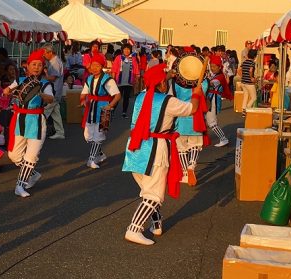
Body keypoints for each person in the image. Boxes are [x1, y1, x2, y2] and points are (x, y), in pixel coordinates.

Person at [122, 63, 203, 245]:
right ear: (162, 83)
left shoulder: (141, 96)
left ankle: (156, 224)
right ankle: (133, 229)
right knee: (153, 195)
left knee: (148, 189)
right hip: (155, 149)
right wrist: (196, 93)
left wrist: (165, 77)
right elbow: (193, 109)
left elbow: (156, 83)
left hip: (135, 148)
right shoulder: (168, 102)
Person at [2, 49, 54, 198]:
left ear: (43, 67)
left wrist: (39, 94)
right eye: (34, 64)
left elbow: (51, 99)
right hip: (20, 119)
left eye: (39, 65)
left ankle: (20, 184)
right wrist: (7, 91)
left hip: (37, 121)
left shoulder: (45, 84)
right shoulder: (20, 81)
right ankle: (34, 174)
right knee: (14, 155)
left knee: (31, 156)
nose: (36, 67)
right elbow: (7, 90)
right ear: (27, 66)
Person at [172, 47, 209, 187]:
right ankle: (191, 166)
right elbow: (203, 94)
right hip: (195, 116)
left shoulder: (176, 83)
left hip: (181, 116)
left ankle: (185, 173)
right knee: (195, 144)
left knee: (181, 146)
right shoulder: (202, 83)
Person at [80, 53, 121, 169]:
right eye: (93, 65)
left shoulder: (108, 80)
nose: (94, 68)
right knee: (87, 135)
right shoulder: (89, 78)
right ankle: (101, 154)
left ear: (102, 66)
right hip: (91, 108)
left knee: (99, 134)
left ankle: (91, 159)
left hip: (104, 109)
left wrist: (110, 106)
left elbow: (117, 95)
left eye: (97, 65)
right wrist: (82, 100)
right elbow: (84, 93)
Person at [206, 55, 231, 147]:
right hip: (210, 99)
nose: (212, 68)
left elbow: (210, 85)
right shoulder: (216, 75)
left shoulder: (219, 77)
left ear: (219, 67)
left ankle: (223, 139)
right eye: (211, 66)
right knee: (208, 121)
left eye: (214, 66)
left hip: (213, 100)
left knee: (212, 122)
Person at [43, 43, 66, 140]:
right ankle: (60, 132)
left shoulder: (55, 62)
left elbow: (52, 78)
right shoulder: (54, 60)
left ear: (50, 52)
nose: (44, 55)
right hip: (56, 90)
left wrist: (45, 72)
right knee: (55, 112)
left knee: (44, 112)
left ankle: (38, 130)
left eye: (45, 53)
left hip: (54, 90)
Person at [111, 44, 140, 119]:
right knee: (117, 97)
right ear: (122, 50)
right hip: (119, 81)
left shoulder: (133, 59)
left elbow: (136, 70)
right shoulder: (118, 58)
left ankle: (124, 112)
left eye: (128, 49)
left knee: (126, 98)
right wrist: (113, 79)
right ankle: (112, 111)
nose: (126, 51)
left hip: (129, 82)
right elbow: (114, 69)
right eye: (125, 49)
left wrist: (136, 79)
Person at [240, 49, 258, 116]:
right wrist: (251, 78)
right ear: (254, 56)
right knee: (254, 97)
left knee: (246, 96)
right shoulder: (252, 63)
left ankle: (243, 110)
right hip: (249, 83)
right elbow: (250, 70)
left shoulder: (244, 62)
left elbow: (239, 70)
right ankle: (247, 108)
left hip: (243, 82)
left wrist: (243, 76)